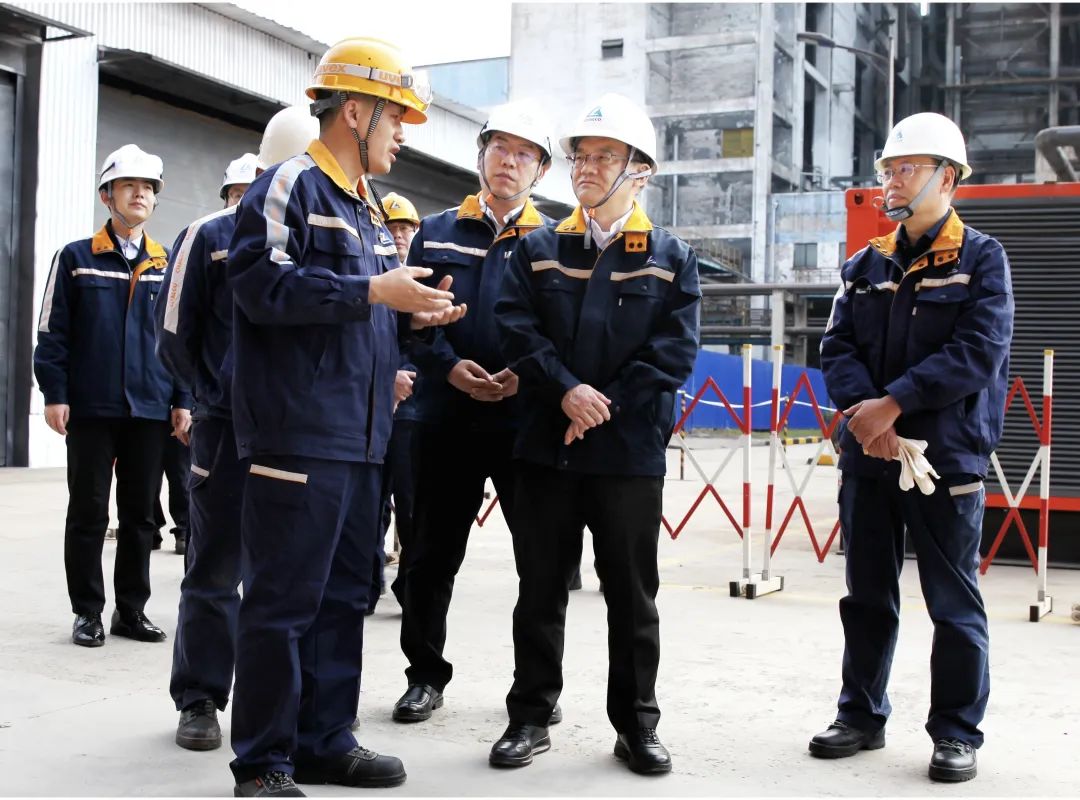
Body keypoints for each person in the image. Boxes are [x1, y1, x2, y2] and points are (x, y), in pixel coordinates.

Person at [225, 37, 464, 797]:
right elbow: (260, 287)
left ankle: (326, 739)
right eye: (397, 118)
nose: (402, 133)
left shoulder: (363, 206)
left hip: (362, 439)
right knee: (282, 600)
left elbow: (354, 314)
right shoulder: (287, 185)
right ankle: (262, 761)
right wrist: (371, 294)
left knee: (341, 600)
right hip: (297, 433)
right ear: (354, 111)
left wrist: (412, 317)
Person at [491, 93, 700, 774]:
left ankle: (637, 724)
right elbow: (514, 330)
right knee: (539, 590)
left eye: (604, 156)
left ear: (640, 172)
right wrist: (567, 392)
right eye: (581, 155)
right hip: (545, 449)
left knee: (631, 596)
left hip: (627, 454)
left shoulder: (672, 258)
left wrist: (600, 404)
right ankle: (529, 717)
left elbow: (673, 355)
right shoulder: (541, 248)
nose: (585, 167)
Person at [813, 112, 1014, 783]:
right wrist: (869, 420)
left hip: (945, 459)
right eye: (889, 169)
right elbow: (836, 347)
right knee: (866, 595)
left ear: (947, 178)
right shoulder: (864, 264)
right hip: (869, 455)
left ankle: (957, 732)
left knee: (953, 603)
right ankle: (861, 715)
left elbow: (976, 353)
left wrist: (892, 404)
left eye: (906, 168)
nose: (892, 181)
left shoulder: (982, 260)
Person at [154, 114, 317, 753]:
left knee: (286, 578)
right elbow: (174, 334)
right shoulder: (211, 234)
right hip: (225, 430)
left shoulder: (320, 235)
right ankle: (199, 697)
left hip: (298, 433)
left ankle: (285, 708)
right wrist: (215, 396)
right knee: (215, 567)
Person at [392, 101, 557, 725]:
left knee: (539, 562)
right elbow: (412, 318)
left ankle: (536, 690)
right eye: (499, 148)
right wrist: (447, 366)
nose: (509, 161)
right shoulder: (435, 231)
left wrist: (526, 377)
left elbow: (560, 333)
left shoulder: (555, 240)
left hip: (523, 424)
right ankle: (424, 676)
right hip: (445, 419)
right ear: (481, 154)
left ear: (539, 170)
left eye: (524, 153)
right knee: (430, 555)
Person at [34, 143, 191, 648]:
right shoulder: (76, 258)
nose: (140, 194)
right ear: (108, 196)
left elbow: (181, 338)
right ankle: (87, 611)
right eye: (129, 186)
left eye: (148, 188)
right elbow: (52, 333)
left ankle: (131, 610)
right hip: (92, 406)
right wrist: (55, 393)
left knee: (142, 515)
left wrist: (182, 398)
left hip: (150, 408)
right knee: (88, 511)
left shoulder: (167, 263)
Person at [369, 191, 422, 614]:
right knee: (369, 501)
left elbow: (429, 340)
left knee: (410, 504)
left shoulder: (424, 278)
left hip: (411, 413)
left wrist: (406, 378)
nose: (400, 235)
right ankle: (366, 583)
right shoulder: (370, 275)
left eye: (407, 228)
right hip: (369, 405)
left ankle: (411, 586)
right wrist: (384, 378)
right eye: (393, 227)